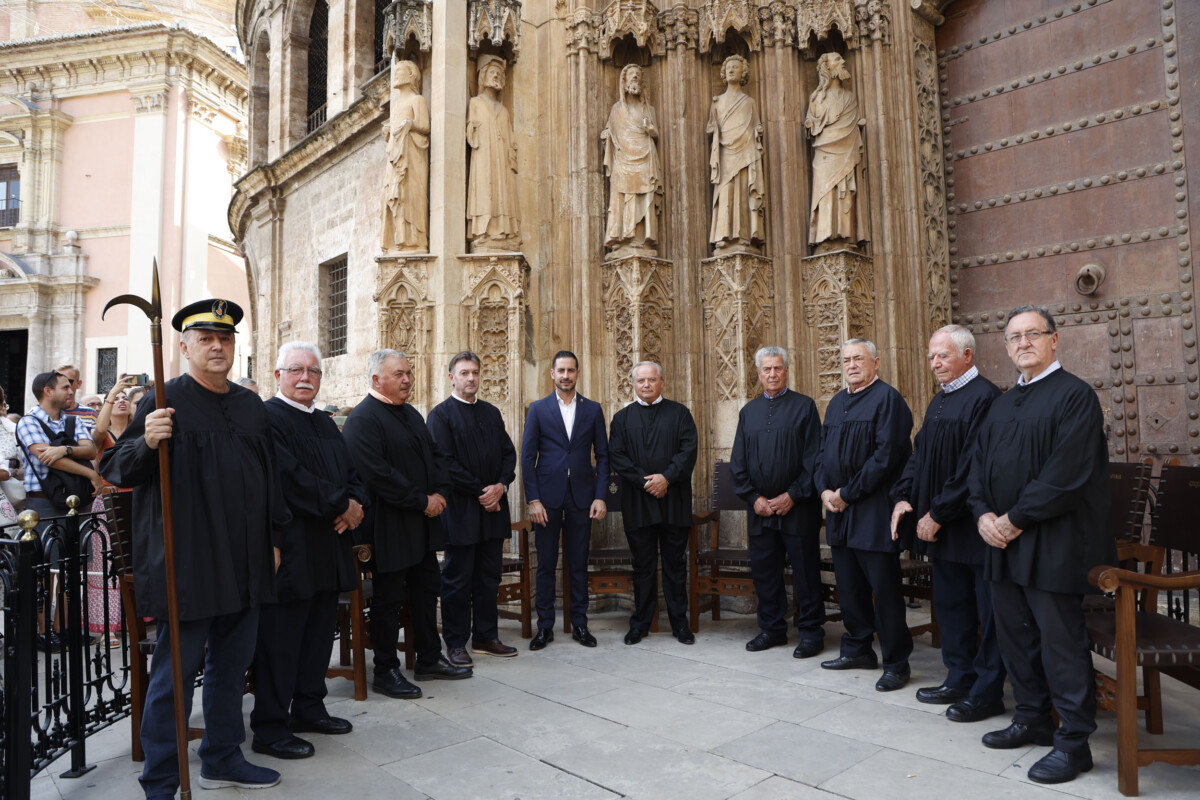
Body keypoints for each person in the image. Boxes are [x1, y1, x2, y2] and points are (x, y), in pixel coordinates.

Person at [100, 298, 285, 797]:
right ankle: (160, 778)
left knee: (231, 668)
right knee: (175, 677)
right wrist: (147, 442)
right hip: (191, 561)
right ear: (183, 346)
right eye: (205, 339)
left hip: (247, 559)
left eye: (224, 338)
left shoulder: (250, 405)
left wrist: (274, 538)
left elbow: (270, 478)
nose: (217, 346)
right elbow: (116, 469)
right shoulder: (163, 401)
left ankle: (222, 756)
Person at [967, 305, 1115, 784]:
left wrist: (1013, 519)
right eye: (1014, 337)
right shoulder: (1002, 402)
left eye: (1033, 334)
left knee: (1060, 642)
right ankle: (1031, 717)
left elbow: (1066, 476)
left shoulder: (1075, 396)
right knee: (1014, 635)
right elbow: (978, 467)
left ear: (1055, 339)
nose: (1023, 343)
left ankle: (1073, 742)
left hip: (1054, 541)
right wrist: (983, 514)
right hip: (1003, 542)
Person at [250, 341, 365, 760]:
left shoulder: (324, 421)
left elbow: (352, 473)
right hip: (293, 544)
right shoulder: (267, 417)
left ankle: (309, 708)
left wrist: (356, 507)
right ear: (278, 375)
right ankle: (270, 726)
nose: (305, 378)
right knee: (282, 638)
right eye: (296, 370)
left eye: (313, 371)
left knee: (319, 633)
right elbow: (288, 477)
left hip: (329, 543)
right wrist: (342, 505)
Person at [891, 326, 1004, 722]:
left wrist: (938, 512)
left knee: (987, 613)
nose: (935, 363)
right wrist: (904, 495)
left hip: (971, 527)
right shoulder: (940, 400)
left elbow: (973, 465)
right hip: (938, 526)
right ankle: (959, 678)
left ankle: (989, 691)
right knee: (951, 606)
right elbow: (919, 454)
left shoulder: (986, 398)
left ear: (967, 356)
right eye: (931, 357)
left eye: (943, 356)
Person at [342, 349, 471, 698]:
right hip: (389, 527)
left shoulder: (411, 414)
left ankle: (428, 657)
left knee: (427, 591)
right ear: (376, 379)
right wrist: (423, 501)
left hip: (421, 526)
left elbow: (437, 455)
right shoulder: (363, 420)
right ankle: (385, 670)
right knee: (389, 600)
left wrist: (441, 492)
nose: (407, 380)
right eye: (399, 374)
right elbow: (379, 476)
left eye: (409, 373)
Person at [816, 338, 914, 691]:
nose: (852, 365)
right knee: (849, 586)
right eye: (846, 359)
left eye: (859, 358)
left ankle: (896, 661)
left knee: (884, 590)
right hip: (840, 512)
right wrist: (825, 491)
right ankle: (858, 648)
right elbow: (822, 453)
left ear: (876, 362)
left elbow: (887, 456)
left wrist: (846, 493)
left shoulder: (889, 399)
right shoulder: (837, 402)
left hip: (873, 510)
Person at [729, 347, 825, 657]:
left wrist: (793, 495)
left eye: (778, 368)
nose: (772, 374)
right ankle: (772, 629)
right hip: (761, 511)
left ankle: (811, 632)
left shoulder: (804, 407)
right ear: (758, 374)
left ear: (786, 371)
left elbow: (815, 460)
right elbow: (738, 463)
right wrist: (754, 498)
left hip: (798, 508)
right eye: (767, 369)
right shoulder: (748, 412)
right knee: (765, 573)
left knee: (806, 573)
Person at [426, 351, 519, 666]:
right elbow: (445, 463)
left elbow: (509, 454)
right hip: (462, 511)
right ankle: (455, 643)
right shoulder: (440, 415)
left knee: (489, 577)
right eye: (464, 372)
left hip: (493, 510)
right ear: (452, 377)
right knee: (457, 579)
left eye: (475, 372)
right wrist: (483, 490)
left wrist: (501, 486)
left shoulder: (492, 413)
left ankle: (485, 636)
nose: (471, 378)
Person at [521, 350, 609, 649]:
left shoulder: (593, 409)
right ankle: (544, 627)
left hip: (582, 498)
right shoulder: (538, 409)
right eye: (561, 370)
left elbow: (604, 456)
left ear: (578, 373)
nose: (566, 375)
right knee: (546, 564)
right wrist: (533, 500)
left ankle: (580, 625)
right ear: (552, 373)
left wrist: (600, 496)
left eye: (571, 370)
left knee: (578, 563)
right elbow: (527, 457)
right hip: (546, 500)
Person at [609, 361, 697, 645]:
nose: (646, 385)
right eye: (640, 381)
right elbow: (617, 457)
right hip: (638, 502)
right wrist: (647, 482)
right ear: (633, 384)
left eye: (651, 380)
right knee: (642, 566)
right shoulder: (621, 419)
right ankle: (640, 623)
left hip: (674, 501)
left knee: (675, 565)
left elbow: (688, 451)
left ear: (662, 382)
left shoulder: (680, 414)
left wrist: (666, 478)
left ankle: (679, 624)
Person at [805, 52, 867, 250]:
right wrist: (810, 124)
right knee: (825, 193)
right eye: (838, 60)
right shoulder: (816, 98)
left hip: (846, 150)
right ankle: (825, 237)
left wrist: (858, 127)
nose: (843, 62)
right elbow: (812, 123)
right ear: (828, 69)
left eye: (842, 59)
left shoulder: (850, 97)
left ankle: (844, 235)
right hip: (824, 153)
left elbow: (851, 122)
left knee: (844, 191)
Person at [601, 63, 663, 258]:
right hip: (623, 160)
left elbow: (656, 133)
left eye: (638, 76)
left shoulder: (649, 110)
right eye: (631, 76)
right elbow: (611, 131)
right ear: (625, 81)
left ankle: (641, 237)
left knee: (643, 197)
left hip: (645, 158)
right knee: (623, 196)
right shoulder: (616, 109)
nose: (635, 78)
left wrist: (651, 131)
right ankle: (624, 237)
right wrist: (607, 137)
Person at [708, 54, 765, 252]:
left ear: (743, 73)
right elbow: (712, 126)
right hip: (726, 153)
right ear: (724, 73)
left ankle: (743, 235)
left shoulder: (749, 102)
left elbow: (756, 124)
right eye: (729, 67)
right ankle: (723, 235)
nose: (731, 70)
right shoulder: (717, 103)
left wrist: (758, 132)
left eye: (736, 67)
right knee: (725, 191)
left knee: (742, 190)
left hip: (745, 149)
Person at [466, 55, 520, 252]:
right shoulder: (476, 103)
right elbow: (471, 132)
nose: (496, 76)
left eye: (499, 74)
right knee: (484, 192)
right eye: (492, 72)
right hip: (484, 157)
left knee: (502, 193)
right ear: (483, 77)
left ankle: (503, 231)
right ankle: (484, 232)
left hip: (502, 161)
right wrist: (473, 130)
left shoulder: (504, 111)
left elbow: (511, 139)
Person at [381, 60, 430, 253]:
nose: (396, 74)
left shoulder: (417, 100)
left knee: (410, 195)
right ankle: (398, 239)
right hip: (395, 157)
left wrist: (409, 124)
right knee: (395, 196)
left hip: (411, 158)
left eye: (400, 71)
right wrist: (389, 130)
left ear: (412, 76)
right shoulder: (397, 104)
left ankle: (413, 240)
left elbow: (424, 126)